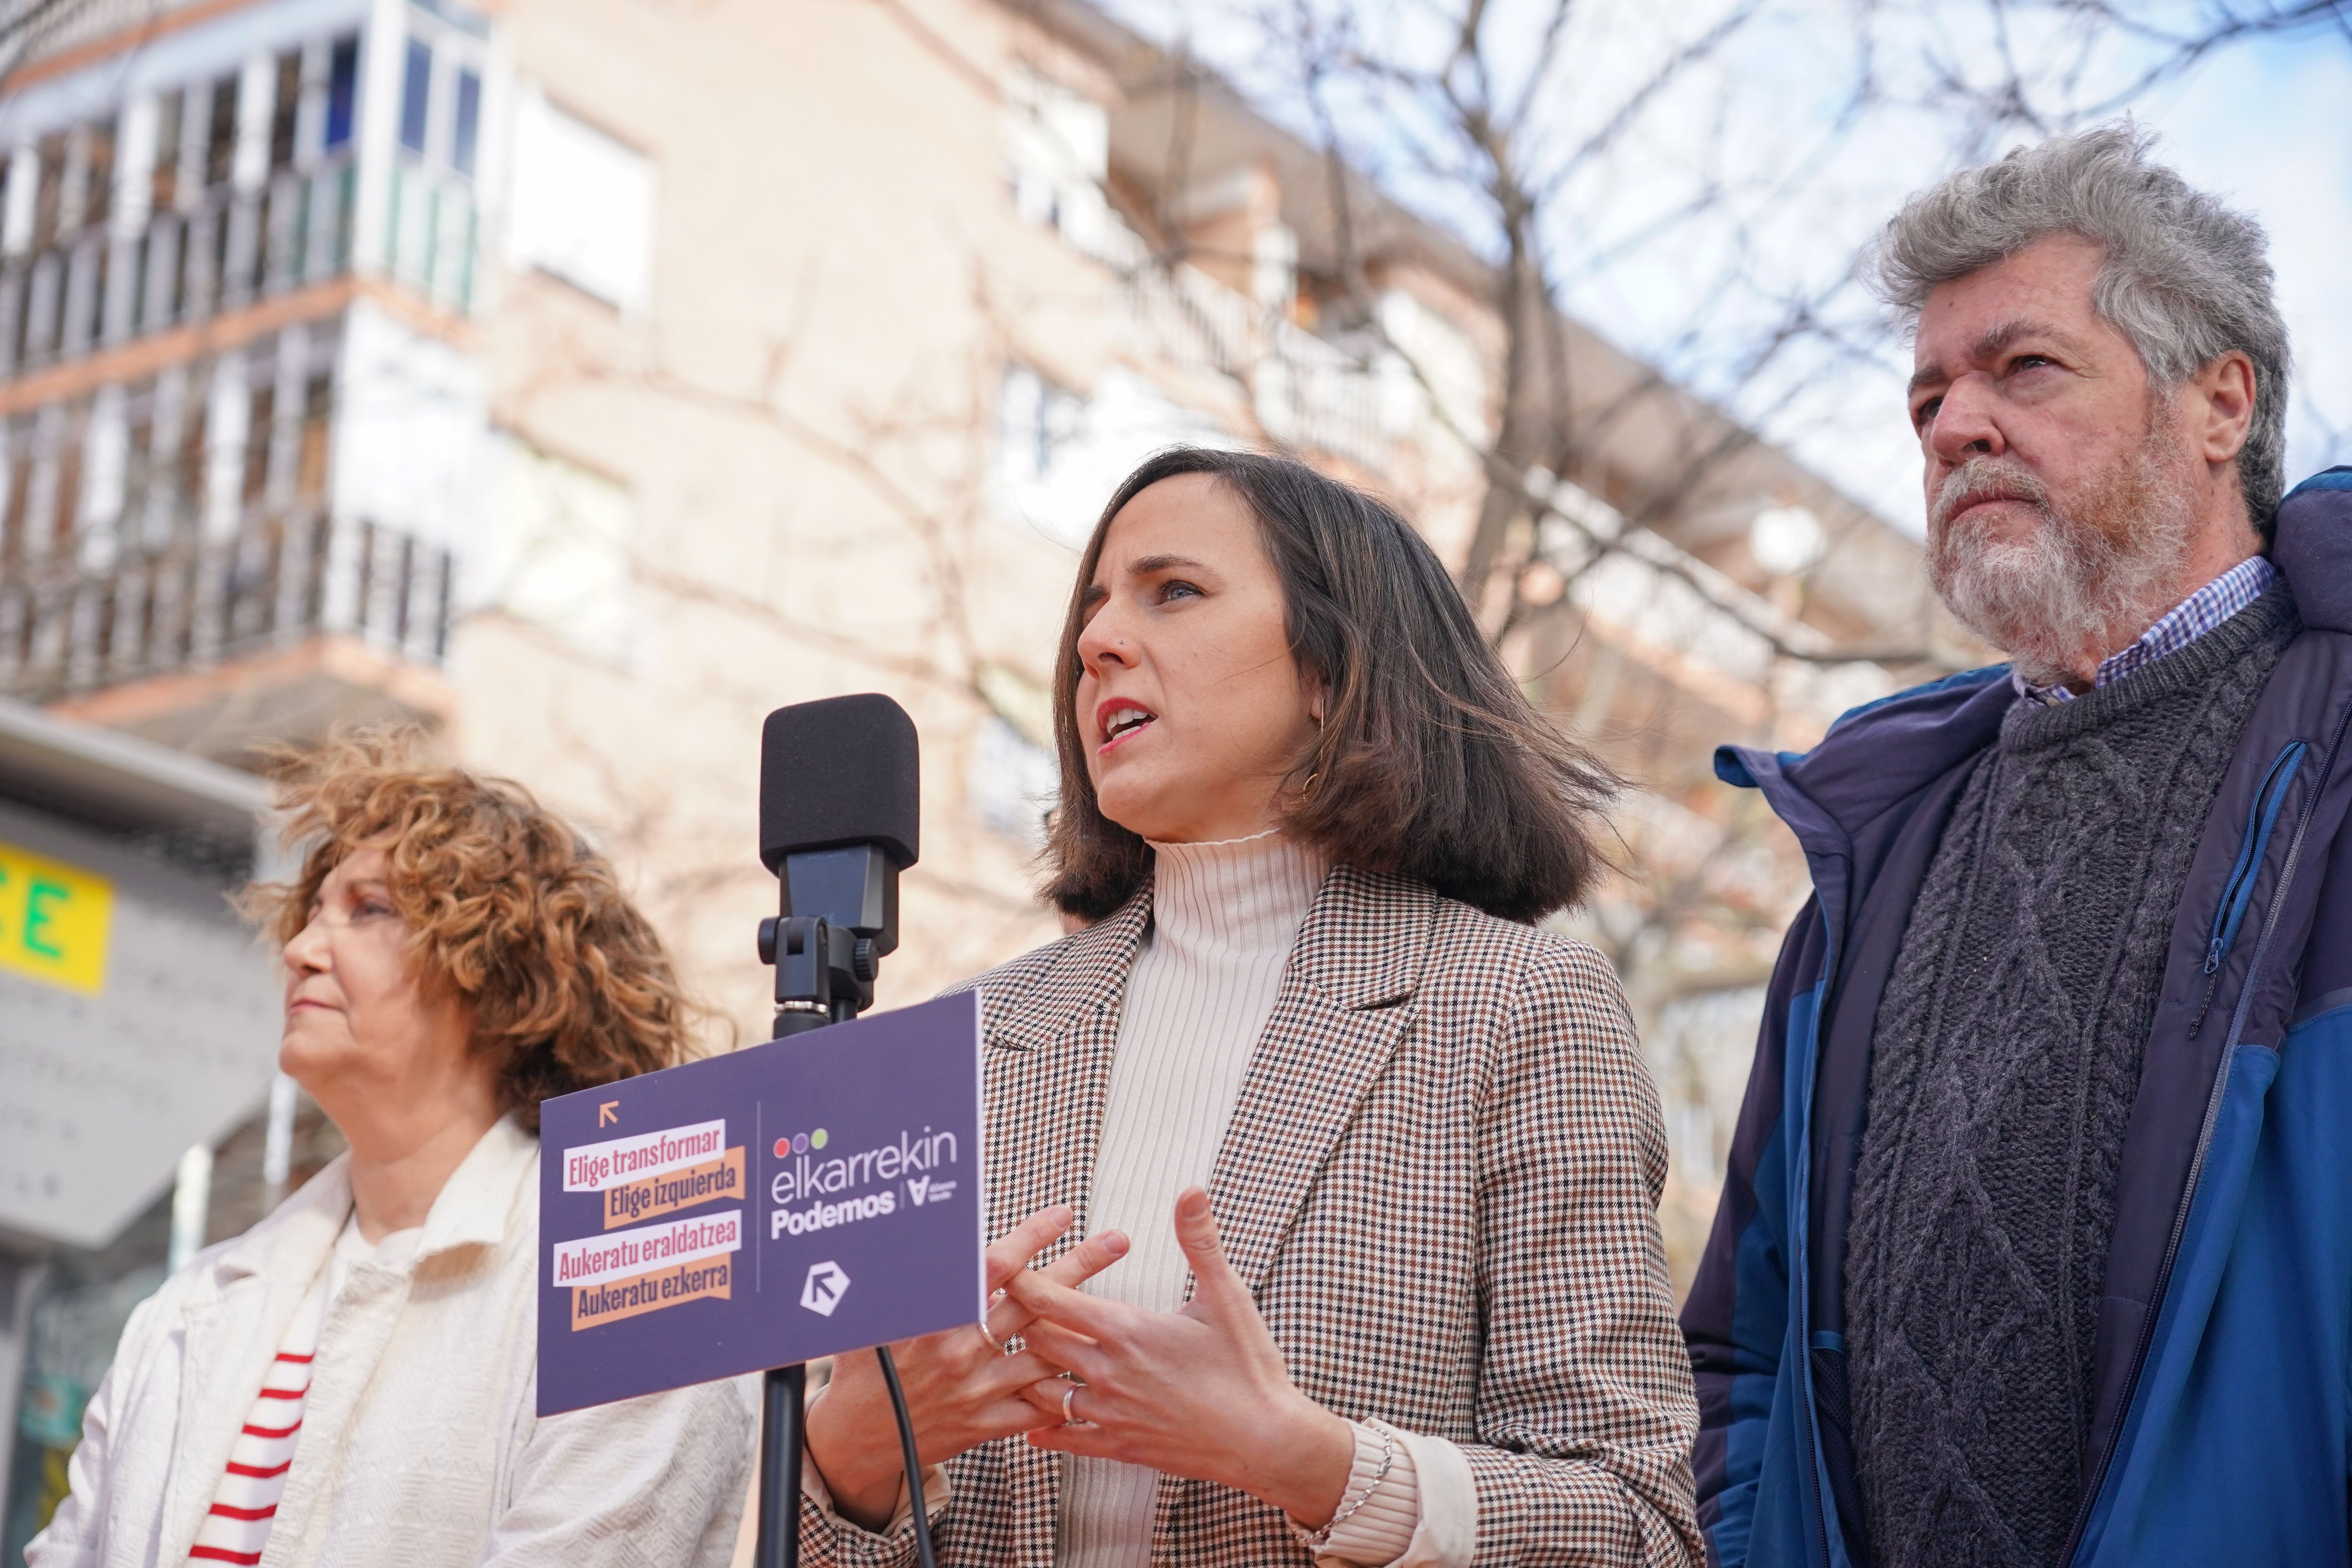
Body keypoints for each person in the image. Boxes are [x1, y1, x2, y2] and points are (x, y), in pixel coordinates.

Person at [795, 447, 1701, 1567]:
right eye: (1092, 610)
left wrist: (1311, 1462)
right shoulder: (960, 1044)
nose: (1095, 642)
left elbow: (1640, 1524)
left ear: (1333, 669)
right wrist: (856, 1451)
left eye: (1172, 590)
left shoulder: (1518, 1008)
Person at [1682, 123, 2352, 1568]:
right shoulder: (1875, 836)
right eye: (1927, 394)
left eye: (2023, 367)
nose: (1951, 425)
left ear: (2221, 399)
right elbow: (1741, 1350)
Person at [30, 733, 756, 1568]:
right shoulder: (191, 1307)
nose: (303, 948)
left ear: (500, 971)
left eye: (368, 909)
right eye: (312, 913)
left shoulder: (635, 1282)